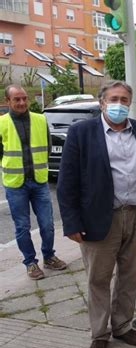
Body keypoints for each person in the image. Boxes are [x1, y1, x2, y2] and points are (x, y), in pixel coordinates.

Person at [57, 81, 136, 348]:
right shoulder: (82, 132)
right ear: (102, 103)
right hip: (99, 219)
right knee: (98, 279)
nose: (119, 104)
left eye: (124, 99)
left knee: (132, 275)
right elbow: (67, 181)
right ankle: (100, 334)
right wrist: (71, 222)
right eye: (113, 99)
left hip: (135, 215)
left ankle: (123, 326)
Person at [0, 84, 66, 280]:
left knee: (47, 223)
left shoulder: (40, 120)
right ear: (8, 102)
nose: (21, 102)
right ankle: (30, 263)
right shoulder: (2, 123)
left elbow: (47, 146)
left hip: (38, 181)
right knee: (22, 226)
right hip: (15, 183)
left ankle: (49, 256)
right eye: (16, 99)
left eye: (24, 99)